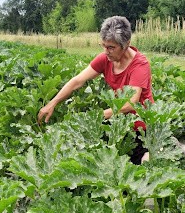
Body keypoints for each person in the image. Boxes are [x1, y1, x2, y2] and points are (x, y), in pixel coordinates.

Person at [37, 15, 153, 163]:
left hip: (141, 127)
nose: (106, 51)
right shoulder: (106, 59)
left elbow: (131, 103)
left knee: (143, 165)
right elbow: (77, 81)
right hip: (118, 122)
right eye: (103, 46)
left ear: (126, 44)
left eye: (111, 47)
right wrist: (52, 103)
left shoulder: (140, 65)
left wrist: (97, 116)